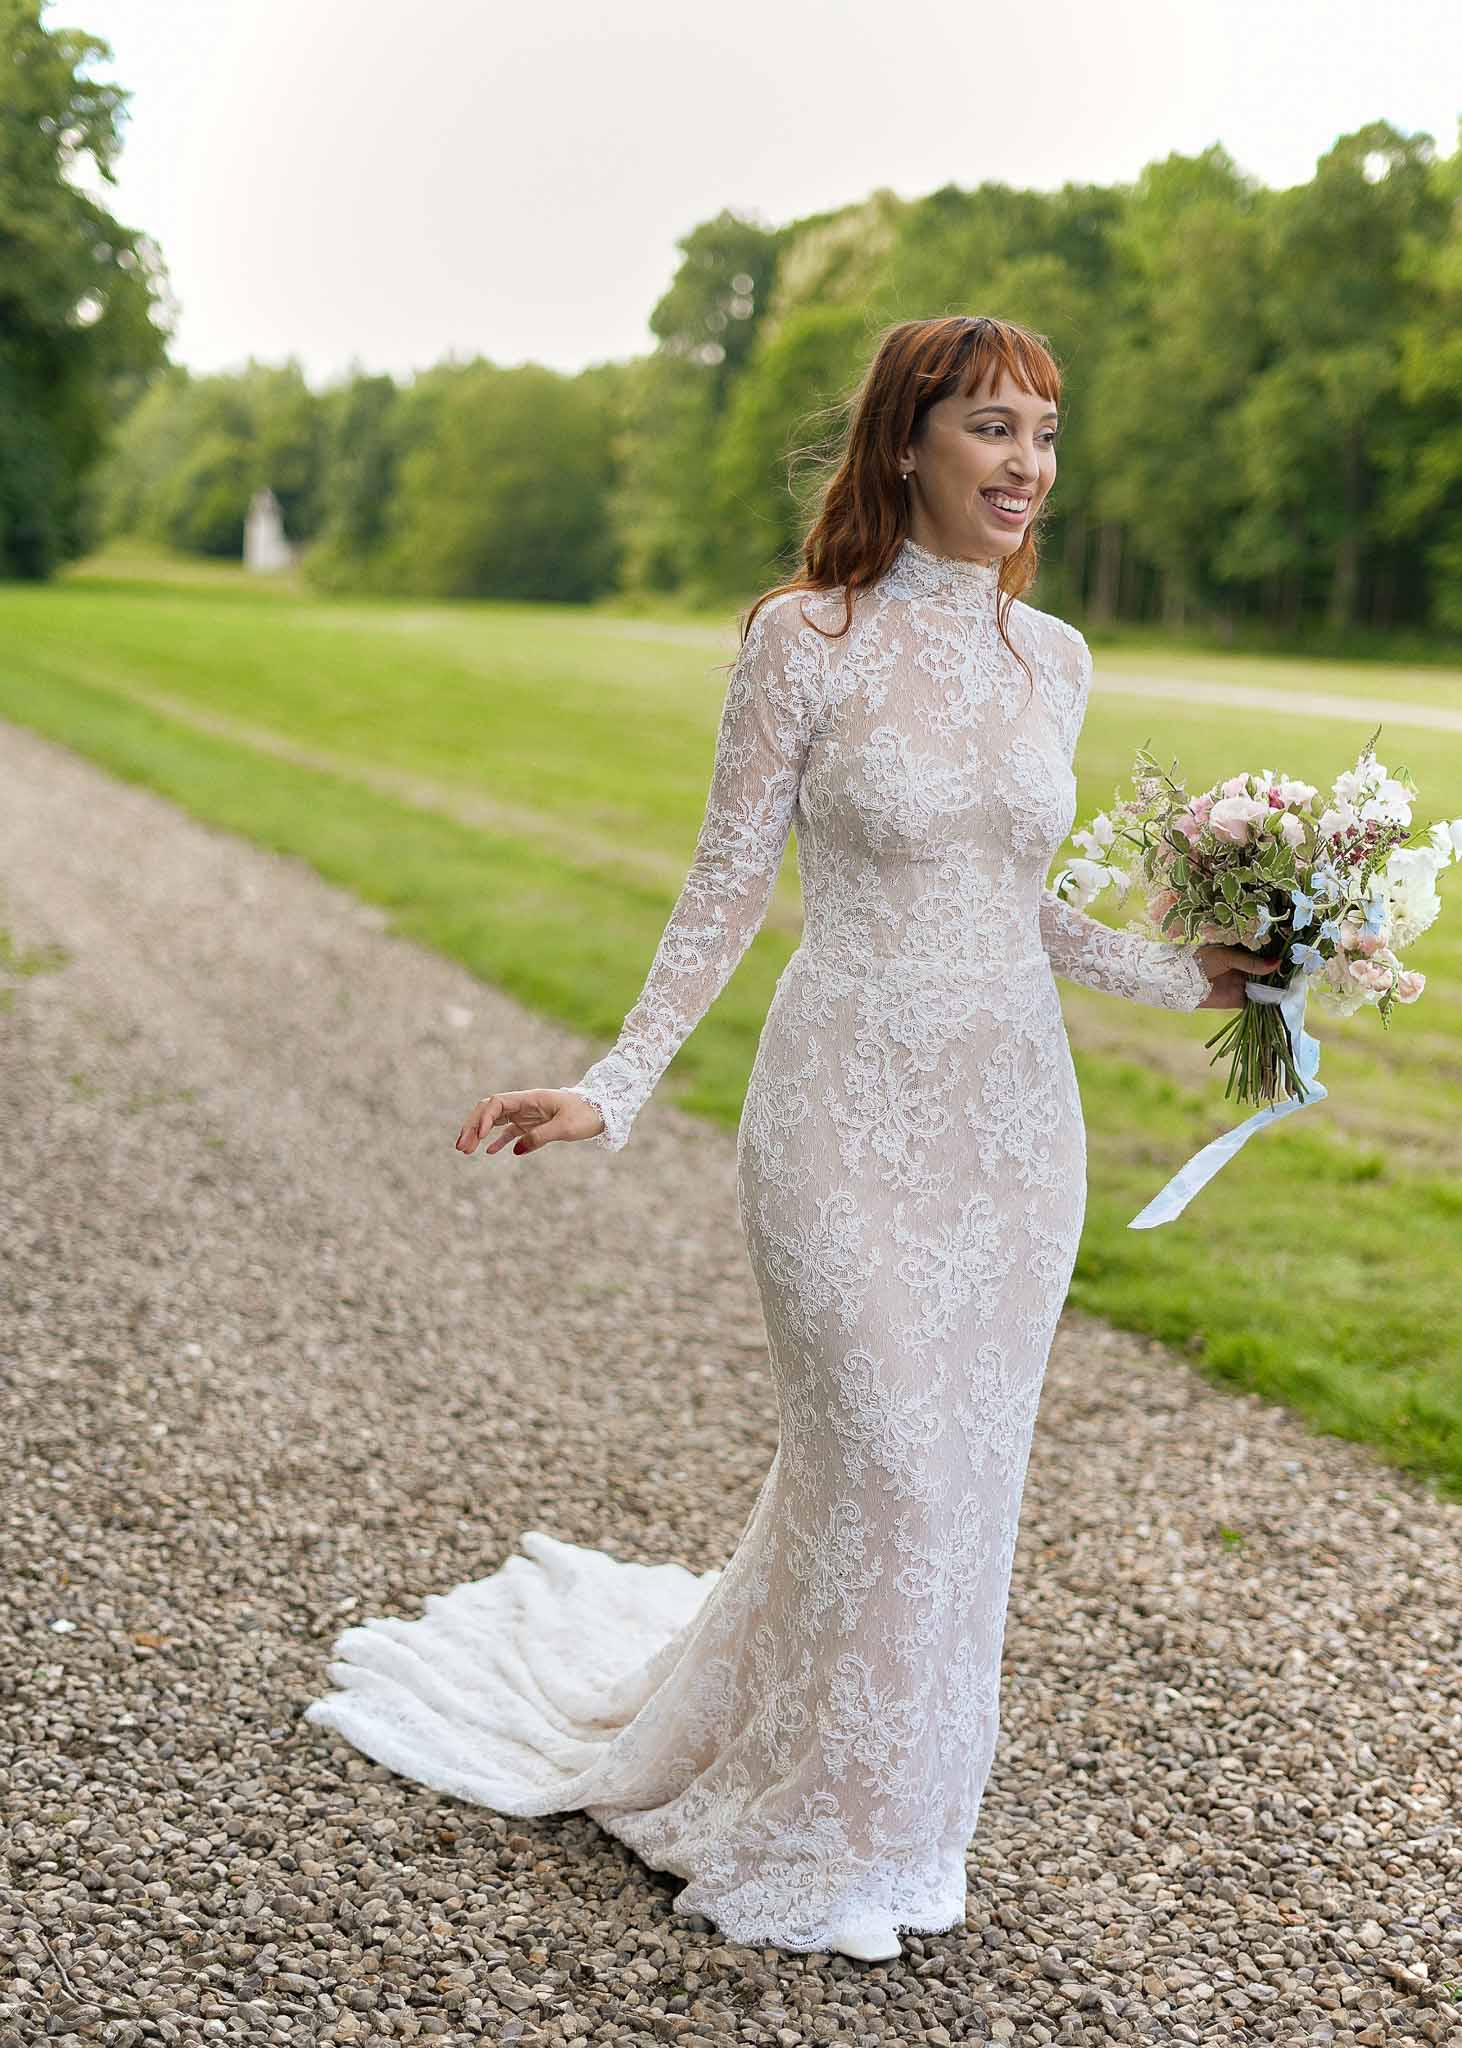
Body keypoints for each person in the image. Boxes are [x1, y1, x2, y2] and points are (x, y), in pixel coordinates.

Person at [303, 315, 1281, 1964]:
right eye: (990, 429)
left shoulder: (1055, 660)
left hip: (1010, 1128)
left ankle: (898, 1826)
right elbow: (725, 886)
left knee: (956, 1486)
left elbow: (1022, 906)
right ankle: (811, 1828)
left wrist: (1195, 971)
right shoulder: (801, 640)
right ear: (904, 444)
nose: (1024, 467)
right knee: (888, 1462)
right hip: (839, 1113)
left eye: (1045, 435)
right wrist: (615, 1082)